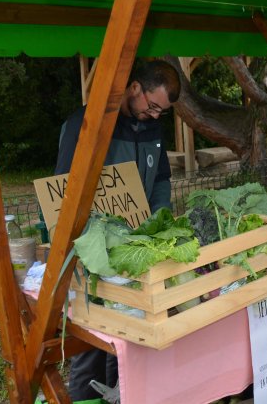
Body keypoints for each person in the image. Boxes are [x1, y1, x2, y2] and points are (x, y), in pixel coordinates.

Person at [56, 59, 181, 400]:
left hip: (134, 254)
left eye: (162, 112)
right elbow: (62, 191)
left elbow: (161, 180)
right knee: (92, 347)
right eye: (152, 106)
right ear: (134, 88)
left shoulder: (152, 128)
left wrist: (158, 221)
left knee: (125, 343)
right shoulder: (86, 124)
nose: (155, 116)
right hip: (94, 256)